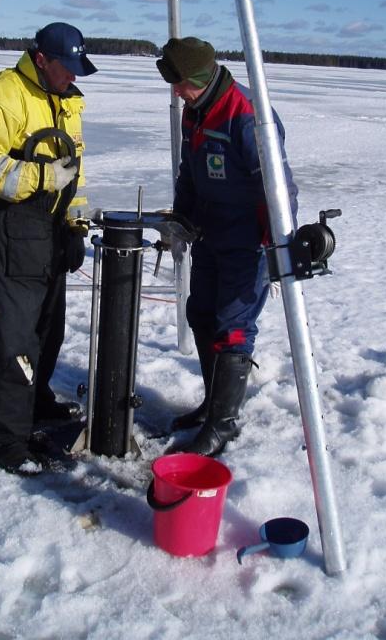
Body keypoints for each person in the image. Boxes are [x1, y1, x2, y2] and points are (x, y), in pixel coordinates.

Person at [0, 22, 96, 475]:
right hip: (16, 222)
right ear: (42, 59)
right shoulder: (5, 92)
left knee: (48, 328)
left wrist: (76, 224)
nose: (73, 77)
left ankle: (35, 403)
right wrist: (41, 178)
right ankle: (6, 441)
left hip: (54, 225)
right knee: (16, 335)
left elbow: (73, 168)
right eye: (67, 68)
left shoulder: (67, 99)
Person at [156, 37, 298, 456]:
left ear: (200, 78)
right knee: (200, 313)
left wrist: (279, 245)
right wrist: (181, 218)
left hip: (246, 239)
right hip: (209, 233)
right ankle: (212, 405)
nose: (177, 93)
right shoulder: (193, 111)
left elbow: (278, 186)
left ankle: (224, 424)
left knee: (232, 327)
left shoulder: (248, 114)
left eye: (181, 84)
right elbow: (190, 171)